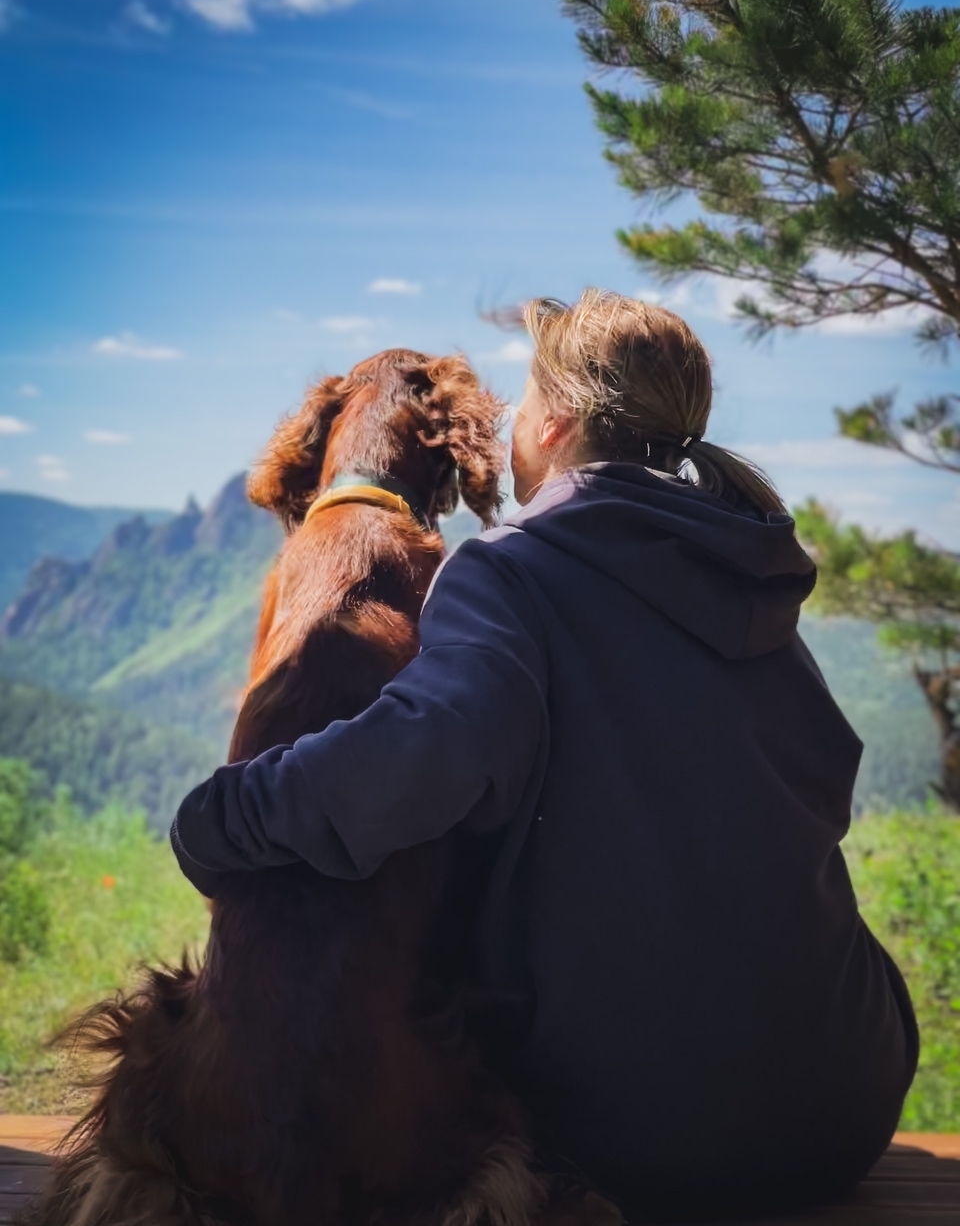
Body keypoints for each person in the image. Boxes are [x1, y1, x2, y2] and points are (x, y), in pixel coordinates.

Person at [171, 289, 918, 1221]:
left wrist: (223, 818)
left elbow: (430, 750)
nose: (513, 420)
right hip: (848, 1100)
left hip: (643, 1140)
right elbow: (825, 775)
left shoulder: (512, 568)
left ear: (556, 422)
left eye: (522, 399)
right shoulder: (749, 568)